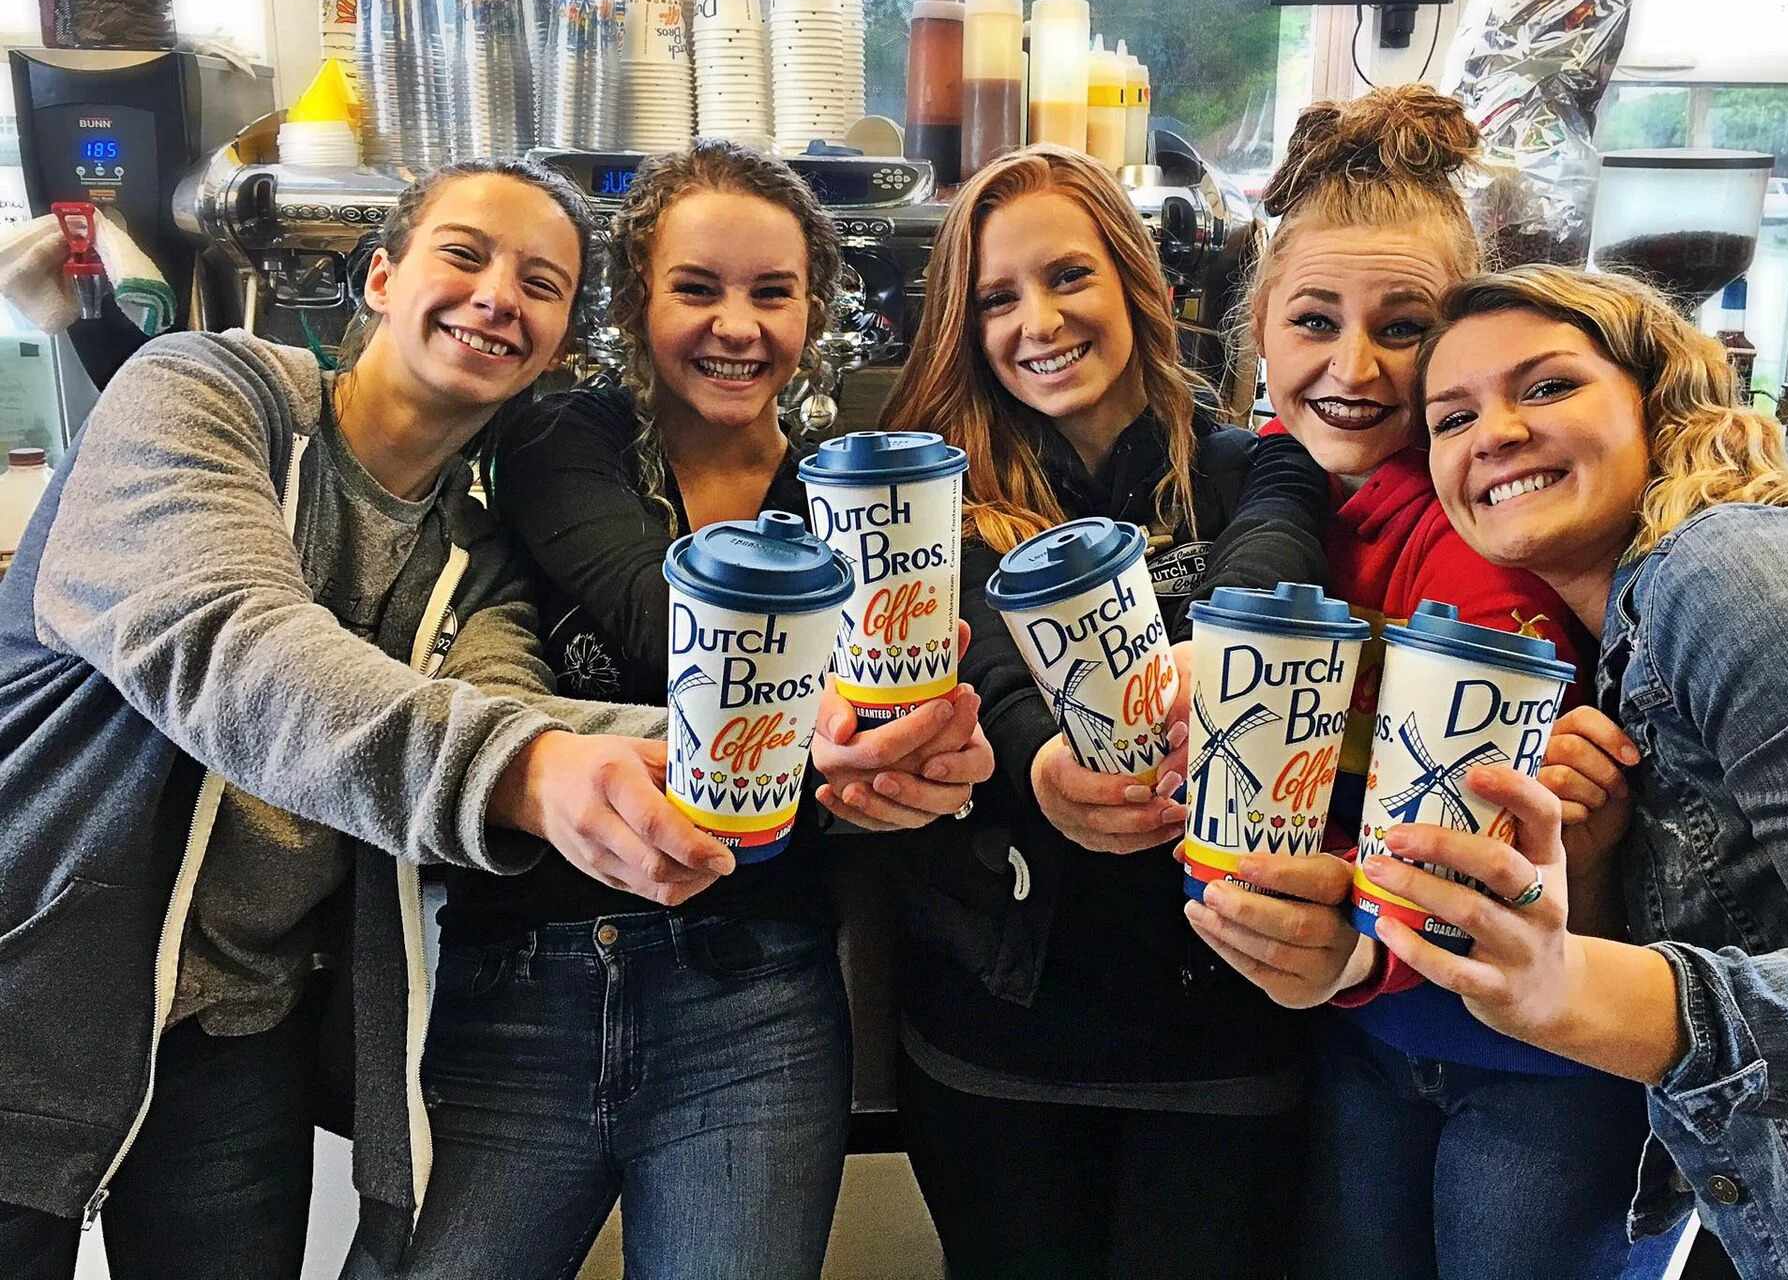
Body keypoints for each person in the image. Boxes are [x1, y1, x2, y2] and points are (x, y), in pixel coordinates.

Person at [0, 158, 704, 1280]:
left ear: (558, 345)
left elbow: (516, 712)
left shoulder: (472, 554)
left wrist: (778, 748)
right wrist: (523, 768)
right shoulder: (199, 391)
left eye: (541, 284)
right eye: (465, 256)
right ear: (380, 278)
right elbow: (229, 643)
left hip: (243, 1029)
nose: (497, 297)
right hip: (33, 979)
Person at [391, 141, 993, 1280]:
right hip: (520, 979)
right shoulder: (559, 443)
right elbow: (662, 621)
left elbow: (907, 697)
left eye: (774, 293)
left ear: (814, 310)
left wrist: (928, 750)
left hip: (752, 992)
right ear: (635, 302)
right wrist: (847, 723)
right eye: (697, 288)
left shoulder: (848, 488)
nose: (738, 327)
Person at [1181, 88, 1651, 1280]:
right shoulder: (1291, 499)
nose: (1354, 367)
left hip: (1523, 1059)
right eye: (1314, 321)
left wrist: (1352, 953)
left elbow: (1469, 822)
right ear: (1259, 332)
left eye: (1404, 329)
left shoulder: (1473, 536)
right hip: (1369, 1035)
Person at [1373, 263, 1788, 1280]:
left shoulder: (1737, 572)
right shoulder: (1621, 650)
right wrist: (1593, 867)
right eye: (1452, 419)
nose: (1494, 434)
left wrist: (1569, 986)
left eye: (1546, 387)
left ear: (1659, 404)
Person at [877, 144, 1329, 1280]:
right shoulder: (930, 500)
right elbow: (969, 646)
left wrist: (1209, 659)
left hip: (1225, 1037)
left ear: (1140, 284)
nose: (1039, 320)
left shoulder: (1257, 466)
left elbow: (1273, 556)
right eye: (997, 298)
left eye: (1069, 276)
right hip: (996, 1036)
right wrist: (1041, 767)